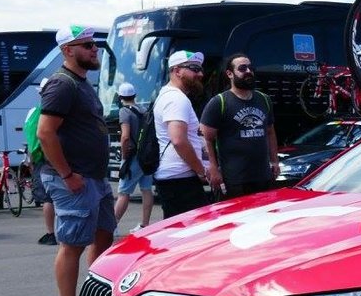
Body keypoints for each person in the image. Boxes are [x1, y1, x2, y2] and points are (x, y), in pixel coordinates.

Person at [36, 25, 115, 296]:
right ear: (68, 50)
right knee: (72, 244)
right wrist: (67, 175)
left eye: (94, 45)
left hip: (94, 177)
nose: (94, 50)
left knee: (104, 236)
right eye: (86, 45)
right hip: (74, 179)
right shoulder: (62, 84)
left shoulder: (81, 82)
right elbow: (45, 133)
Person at [199, 54, 279, 198]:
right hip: (234, 180)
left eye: (250, 68)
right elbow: (205, 138)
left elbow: (270, 132)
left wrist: (274, 161)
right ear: (229, 74)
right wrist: (213, 169)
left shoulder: (264, 99)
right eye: (242, 68)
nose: (248, 71)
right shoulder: (219, 102)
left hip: (263, 176)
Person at [153, 50, 210, 217]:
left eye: (200, 69)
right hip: (180, 179)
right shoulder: (176, 99)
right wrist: (201, 170)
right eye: (194, 69)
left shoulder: (168, 95)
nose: (200, 74)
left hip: (176, 177)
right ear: (177, 70)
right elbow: (178, 140)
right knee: (194, 228)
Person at [113, 82, 154, 230]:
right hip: (146, 156)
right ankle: (145, 224)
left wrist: (124, 157)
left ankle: (112, 226)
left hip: (133, 157)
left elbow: (125, 137)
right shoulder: (143, 110)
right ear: (135, 95)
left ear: (120, 97)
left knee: (123, 192)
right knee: (146, 189)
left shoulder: (124, 111)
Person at [24, 82, 57, 245]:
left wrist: (30, 159)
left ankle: (51, 233)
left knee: (47, 198)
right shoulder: (61, 111)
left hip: (42, 159)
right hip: (59, 157)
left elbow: (32, 140)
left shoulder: (33, 112)